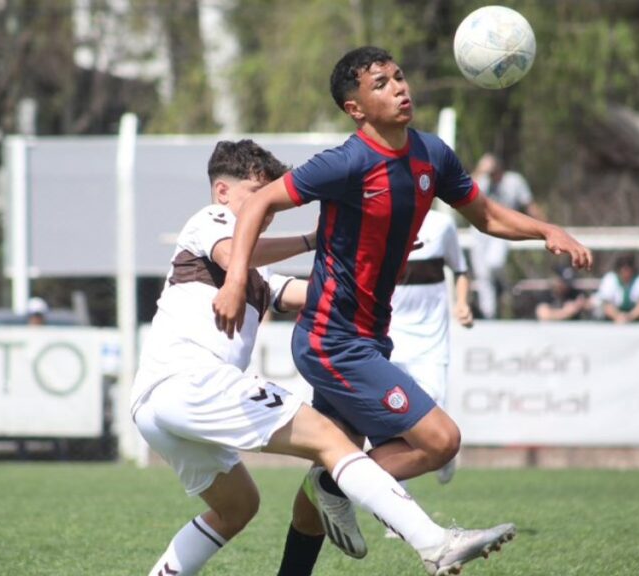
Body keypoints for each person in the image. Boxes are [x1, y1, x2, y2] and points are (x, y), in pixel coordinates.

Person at [211, 46, 591, 575]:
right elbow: (257, 203)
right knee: (439, 441)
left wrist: (545, 229)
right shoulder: (345, 162)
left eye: (400, 77)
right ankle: (333, 481)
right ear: (356, 108)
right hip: (330, 338)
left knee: (316, 499)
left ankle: (324, 495)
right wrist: (235, 281)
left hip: (368, 338)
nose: (400, 88)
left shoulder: (431, 155)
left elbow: (485, 216)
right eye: (381, 84)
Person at [132, 140, 509, 576]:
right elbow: (239, 252)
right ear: (222, 192)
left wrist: (370, 267)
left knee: (238, 508)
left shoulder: (255, 271)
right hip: (190, 380)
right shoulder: (211, 221)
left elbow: (302, 295)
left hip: (157, 404)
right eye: (257, 197)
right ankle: (435, 543)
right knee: (333, 440)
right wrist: (314, 238)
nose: (265, 211)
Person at [389, 207, 474, 489]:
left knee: (433, 411)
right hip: (389, 335)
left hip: (431, 339)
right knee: (395, 419)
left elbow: (460, 270)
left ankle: (445, 452)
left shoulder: (442, 224)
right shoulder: (380, 219)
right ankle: (400, 508)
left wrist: (461, 303)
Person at [467, 152, 545, 319]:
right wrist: (480, 170)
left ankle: (504, 287)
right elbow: (463, 189)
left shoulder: (514, 181)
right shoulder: (482, 180)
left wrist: (547, 228)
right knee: (482, 275)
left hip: (502, 229)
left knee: (495, 263)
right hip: (479, 231)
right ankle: (489, 314)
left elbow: (528, 204)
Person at [596, 254, 639, 323]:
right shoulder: (610, 279)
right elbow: (606, 304)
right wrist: (617, 317)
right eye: (623, 268)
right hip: (614, 320)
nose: (625, 271)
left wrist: (630, 317)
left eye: (628, 268)